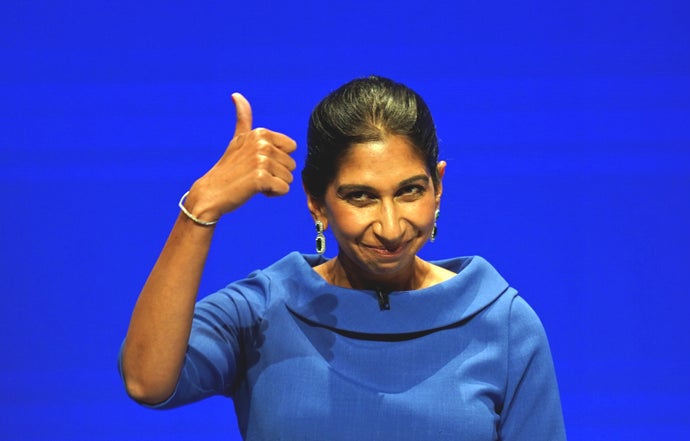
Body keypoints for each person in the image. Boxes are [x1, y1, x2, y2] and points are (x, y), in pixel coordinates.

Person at [119, 76, 566, 440]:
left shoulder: (503, 323)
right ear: (317, 203)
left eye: (410, 191)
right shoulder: (266, 309)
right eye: (361, 197)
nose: (391, 227)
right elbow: (146, 381)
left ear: (439, 186)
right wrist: (201, 208)